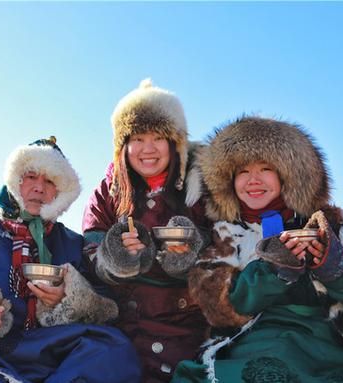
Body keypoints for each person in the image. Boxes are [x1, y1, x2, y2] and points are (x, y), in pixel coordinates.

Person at [0, 137, 141, 383]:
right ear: (16, 181)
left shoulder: (71, 243)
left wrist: (69, 299)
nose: (39, 188)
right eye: (31, 176)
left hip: (51, 346)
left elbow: (106, 305)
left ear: (60, 192)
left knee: (115, 347)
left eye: (49, 181)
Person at [172, 116, 343, 382]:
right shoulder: (224, 233)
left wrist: (338, 268)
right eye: (242, 172)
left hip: (329, 346)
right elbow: (219, 309)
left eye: (265, 169)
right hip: (249, 343)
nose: (253, 180)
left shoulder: (333, 224)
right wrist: (272, 272)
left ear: (286, 174)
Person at [82, 79, 211, 382]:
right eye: (137, 138)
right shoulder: (107, 192)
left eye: (158, 137)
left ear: (175, 143)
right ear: (123, 146)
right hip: (124, 322)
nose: (148, 149)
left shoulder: (199, 188)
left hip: (188, 323)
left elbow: (223, 246)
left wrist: (190, 253)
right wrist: (115, 256)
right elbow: (89, 250)